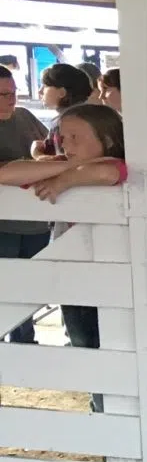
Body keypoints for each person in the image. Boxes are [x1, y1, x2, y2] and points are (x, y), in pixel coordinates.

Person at [0, 103, 129, 412]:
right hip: (78, 278)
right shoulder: (64, 162)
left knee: (114, 346)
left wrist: (66, 180)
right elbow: (7, 172)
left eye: (75, 137)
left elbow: (109, 171)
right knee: (85, 345)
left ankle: (112, 412)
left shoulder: (124, 164)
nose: (66, 144)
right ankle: (101, 410)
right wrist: (67, 168)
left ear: (107, 139)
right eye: (62, 137)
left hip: (117, 280)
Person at [0, 64, 53, 344]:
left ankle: (25, 343)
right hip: (4, 225)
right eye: (4, 94)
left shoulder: (24, 116)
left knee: (29, 288)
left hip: (36, 221)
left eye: (13, 92)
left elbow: (50, 148)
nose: (12, 99)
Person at [31, 63, 95, 158]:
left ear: (62, 92)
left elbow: (60, 161)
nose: (40, 91)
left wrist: (36, 153)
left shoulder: (63, 124)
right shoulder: (94, 116)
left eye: (45, 85)